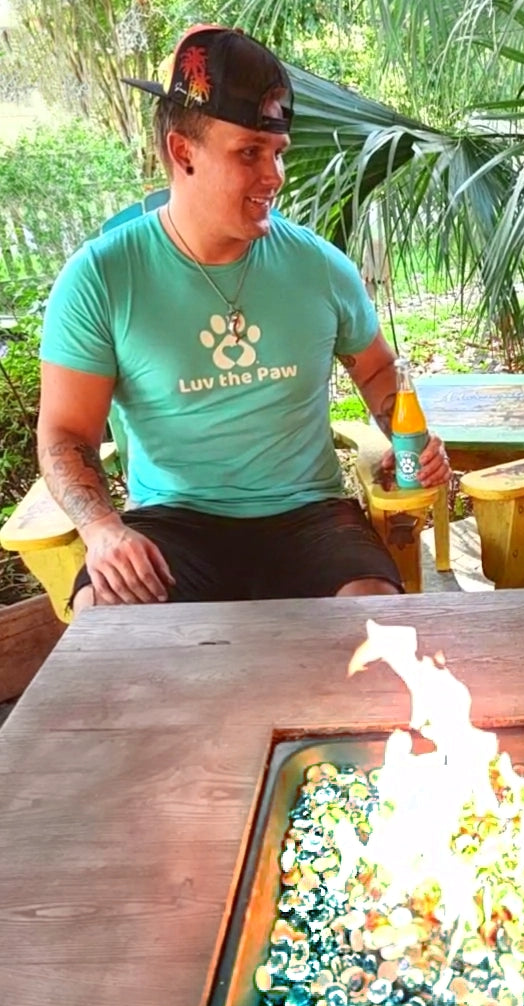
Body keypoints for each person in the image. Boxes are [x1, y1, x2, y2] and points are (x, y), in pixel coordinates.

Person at [37, 24, 451, 613]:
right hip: (174, 522)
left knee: (376, 621)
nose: (274, 177)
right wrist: (102, 529)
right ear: (184, 153)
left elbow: (378, 369)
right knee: (111, 630)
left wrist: (406, 438)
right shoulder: (103, 278)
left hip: (308, 516)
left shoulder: (318, 266)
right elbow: (65, 435)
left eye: (277, 153)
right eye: (249, 153)